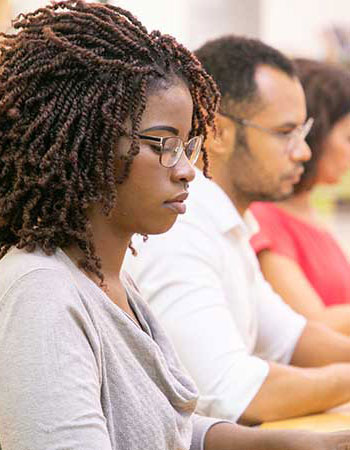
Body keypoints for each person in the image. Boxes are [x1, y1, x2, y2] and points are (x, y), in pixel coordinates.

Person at [3, 2, 349, 449]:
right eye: (164, 144)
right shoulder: (42, 292)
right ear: (92, 145)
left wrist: (297, 444)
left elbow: (173, 428)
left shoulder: (114, 279)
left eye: (188, 145)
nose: (188, 169)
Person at [123, 35, 350, 426]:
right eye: (285, 133)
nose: (303, 152)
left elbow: (290, 338)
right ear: (220, 132)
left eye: (304, 132)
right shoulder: (181, 227)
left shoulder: (227, 223)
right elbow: (232, 393)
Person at [250, 58, 350, 336]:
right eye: (348, 138)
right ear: (315, 137)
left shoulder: (310, 215)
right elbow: (310, 323)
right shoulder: (265, 219)